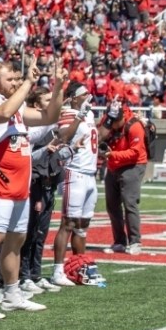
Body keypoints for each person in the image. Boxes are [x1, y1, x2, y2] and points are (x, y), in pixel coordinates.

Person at [0, 58, 64, 319]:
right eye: (10, 79)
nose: (15, 83)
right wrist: (28, 84)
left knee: (16, 240)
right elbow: (0, 113)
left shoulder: (18, 106)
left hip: (20, 184)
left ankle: (11, 293)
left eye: (16, 79)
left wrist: (58, 87)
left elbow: (50, 116)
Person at [19, 86, 71, 296]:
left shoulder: (50, 126)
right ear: (36, 105)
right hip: (36, 182)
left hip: (49, 181)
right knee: (30, 233)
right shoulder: (34, 127)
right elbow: (32, 153)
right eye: (47, 99)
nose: (52, 102)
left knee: (41, 233)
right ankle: (24, 276)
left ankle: (36, 273)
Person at [50, 82, 96, 287]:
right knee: (67, 224)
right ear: (74, 98)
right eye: (84, 93)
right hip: (75, 172)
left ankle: (79, 265)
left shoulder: (90, 114)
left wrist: (110, 120)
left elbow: (96, 137)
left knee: (82, 227)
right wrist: (79, 116)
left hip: (90, 174)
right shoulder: (68, 113)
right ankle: (57, 271)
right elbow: (64, 137)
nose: (89, 95)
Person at [99, 99, 148, 254]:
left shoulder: (134, 126)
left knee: (129, 202)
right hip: (114, 164)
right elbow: (98, 136)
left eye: (113, 123)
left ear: (121, 118)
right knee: (112, 204)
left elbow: (135, 152)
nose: (111, 126)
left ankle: (135, 241)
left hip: (133, 165)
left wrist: (112, 154)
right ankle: (119, 241)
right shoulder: (107, 122)